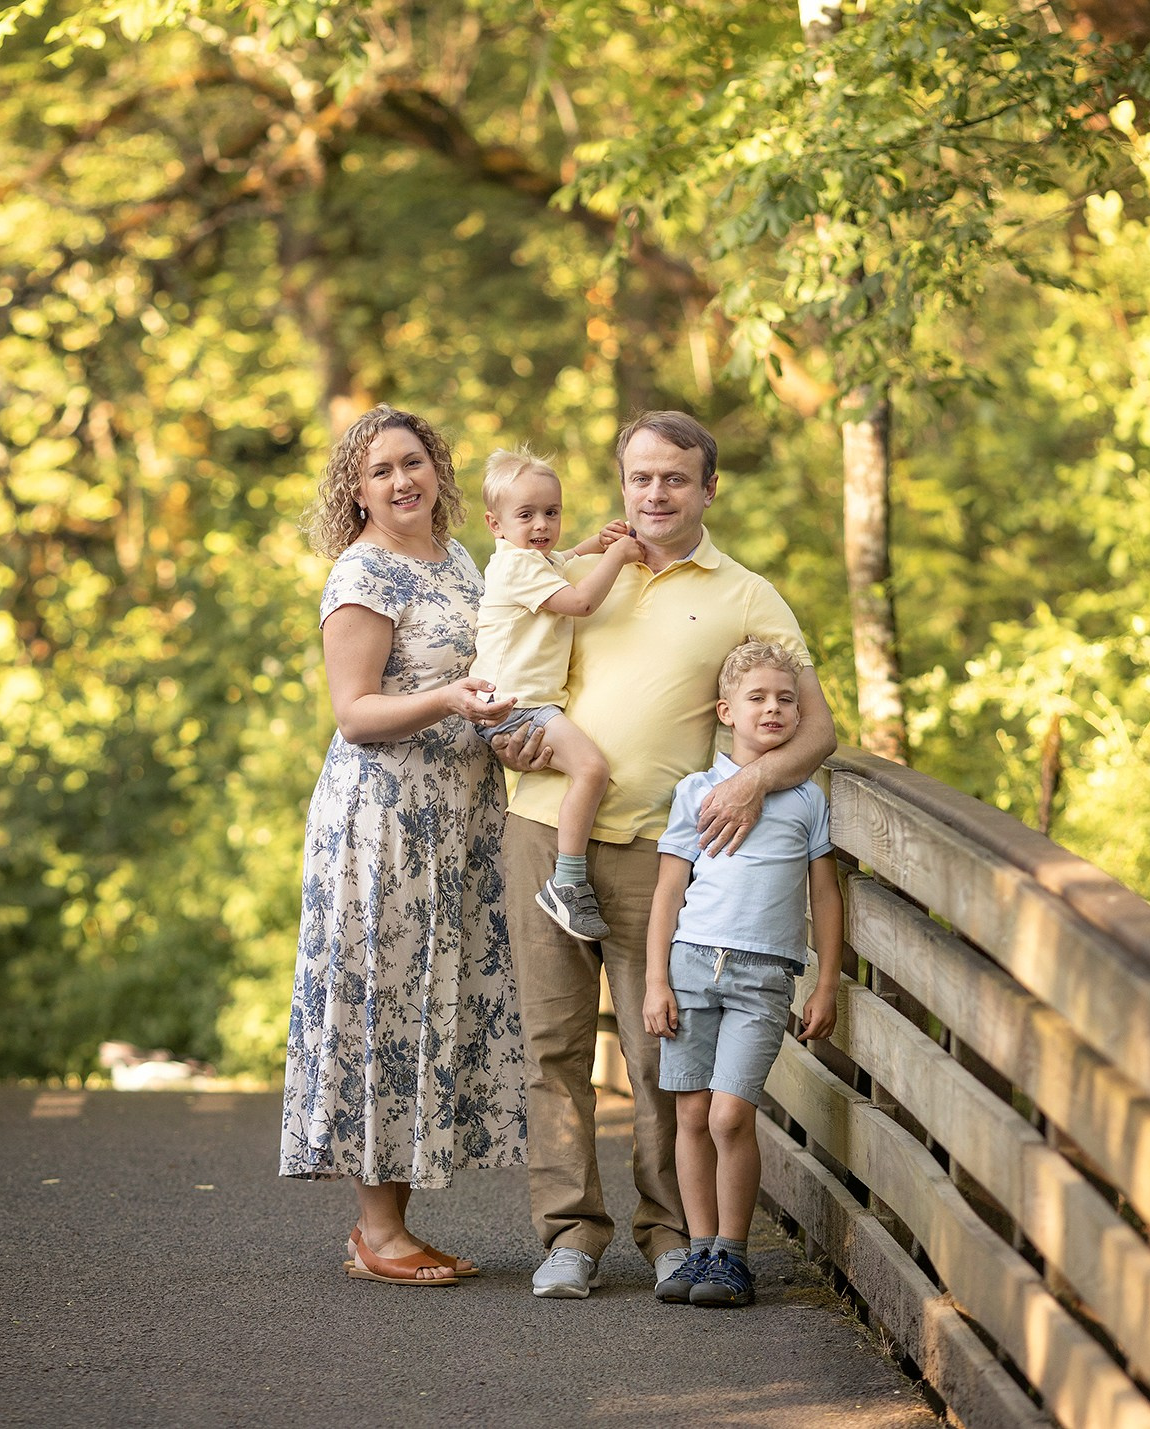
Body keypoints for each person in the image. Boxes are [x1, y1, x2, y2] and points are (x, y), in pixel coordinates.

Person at [491, 410, 836, 1300]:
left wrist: (757, 782)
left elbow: (819, 728)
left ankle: (670, 1234)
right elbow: (512, 677)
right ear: (622, 481)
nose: (655, 493)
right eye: (640, 477)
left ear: (708, 487)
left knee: (658, 1049)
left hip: (662, 845)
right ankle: (568, 1235)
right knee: (553, 1045)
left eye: (675, 478)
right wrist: (502, 734)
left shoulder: (747, 594)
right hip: (543, 827)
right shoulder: (568, 570)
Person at [278, 403, 528, 1287]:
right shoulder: (364, 573)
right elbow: (356, 714)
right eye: (381, 469)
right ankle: (377, 1233)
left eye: (413, 461)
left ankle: (395, 1225)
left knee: (432, 1001)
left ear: (439, 468)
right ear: (357, 488)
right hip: (383, 822)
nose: (402, 480)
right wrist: (455, 699)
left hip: (458, 815)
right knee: (385, 1005)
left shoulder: (457, 558)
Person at [644, 639, 844, 1307]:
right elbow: (669, 893)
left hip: (762, 975)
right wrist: (655, 980)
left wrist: (826, 981)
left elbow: (825, 896)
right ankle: (701, 1252)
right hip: (691, 963)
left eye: (787, 698)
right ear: (727, 709)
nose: (775, 708)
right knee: (693, 1113)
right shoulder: (694, 792)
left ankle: (734, 1253)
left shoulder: (806, 799)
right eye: (758, 697)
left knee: (731, 1114)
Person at [468, 447, 643, 943]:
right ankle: (567, 881)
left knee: (586, 769)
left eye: (552, 512)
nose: (542, 524)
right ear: (495, 523)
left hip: (523, 702)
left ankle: (568, 877)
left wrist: (592, 543)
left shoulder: (532, 560)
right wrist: (617, 554)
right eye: (526, 515)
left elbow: (563, 561)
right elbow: (581, 601)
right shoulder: (516, 568)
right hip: (515, 705)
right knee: (592, 769)